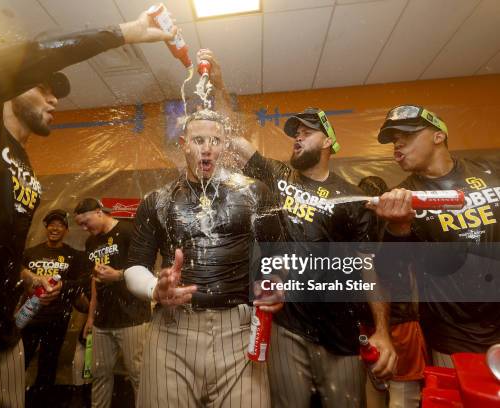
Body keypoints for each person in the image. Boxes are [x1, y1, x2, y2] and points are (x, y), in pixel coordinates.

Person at [0, 11, 176, 405]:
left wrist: (26, 276)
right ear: (13, 87)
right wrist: (124, 33)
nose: (55, 98)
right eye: (42, 87)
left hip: (2, 343)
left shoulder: (25, 167)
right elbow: (26, 57)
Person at [198, 49, 396, 408]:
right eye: (295, 133)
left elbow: (370, 269)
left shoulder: (352, 198)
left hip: (341, 334)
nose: (297, 137)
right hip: (287, 327)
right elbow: (235, 140)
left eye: (308, 132)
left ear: (329, 143)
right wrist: (221, 85)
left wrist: (382, 330)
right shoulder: (277, 176)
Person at [124, 109, 284, 407]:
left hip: (238, 333)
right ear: (184, 143)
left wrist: (274, 284)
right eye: (198, 140)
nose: (207, 148)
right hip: (172, 331)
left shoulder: (254, 193)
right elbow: (134, 266)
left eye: (215, 140)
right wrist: (154, 289)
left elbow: (276, 253)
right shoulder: (157, 201)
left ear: (225, 146)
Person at [368, 104, 500, 368]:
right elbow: (388, 273)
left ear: (438, 136)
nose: (397, 146)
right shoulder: (400, 199)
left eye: (406, 136)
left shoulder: (491, 174)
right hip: (453, 338)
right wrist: (399, 227)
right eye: (394, 140)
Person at [73, 198, 150, 408]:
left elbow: (146, 270)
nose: (84, 228)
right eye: (80, 224)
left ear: (99, 212)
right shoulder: (91, 242)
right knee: (99, 375)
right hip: (102, 321)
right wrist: (90, 317)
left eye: (85, 221)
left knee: (139, 376)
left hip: (132, 317)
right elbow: (94, 280)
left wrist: (118, 275)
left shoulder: (128, 231)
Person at [358, 176, 428, 408]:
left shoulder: (364, 227)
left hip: (375, 322)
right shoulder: (402, 223)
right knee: (403, 398)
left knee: (375, 392)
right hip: (401, 319)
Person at [20, 209, 87, 386]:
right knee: (20, 363)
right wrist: (29, 287)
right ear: (46, 227)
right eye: (51, 224)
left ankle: (43, 399)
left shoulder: (74, 256)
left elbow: (79, 285)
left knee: (48, 366)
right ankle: (15, 399)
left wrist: (61, 288)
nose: (55, 229)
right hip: (29, 316)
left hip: (57, 318)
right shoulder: (30, 253)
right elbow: (19, 280)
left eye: (60, 225)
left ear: (66, 230)